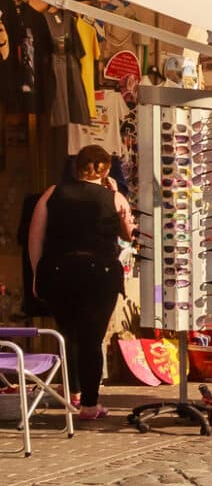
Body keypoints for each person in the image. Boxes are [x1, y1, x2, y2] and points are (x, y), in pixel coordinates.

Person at [24, 145, 133, 420]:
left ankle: (70, 393)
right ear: (106, 169)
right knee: (91, 338)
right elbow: (129, 234)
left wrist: (38, 273)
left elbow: (35, 237)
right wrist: (114, 195)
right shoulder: (115, 198)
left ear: (76, 167)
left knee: (68, 333)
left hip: (59, 270)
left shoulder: (52, 193)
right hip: (99, 272)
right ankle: (89, 404)